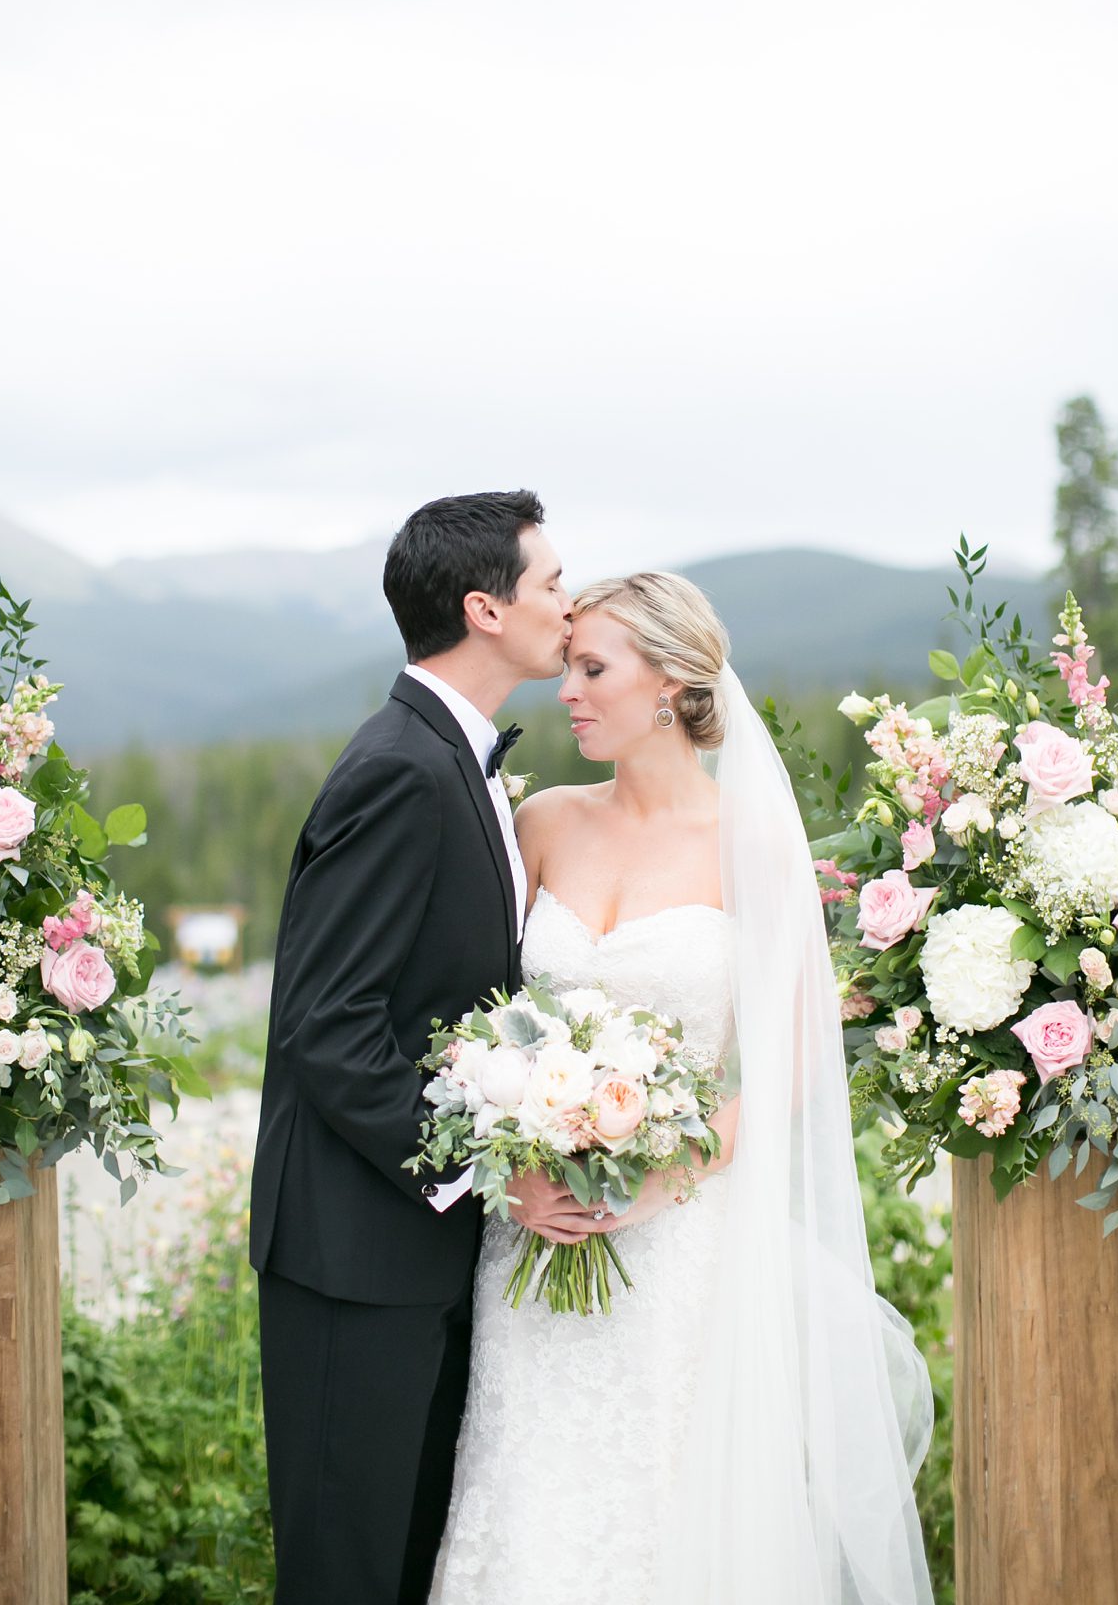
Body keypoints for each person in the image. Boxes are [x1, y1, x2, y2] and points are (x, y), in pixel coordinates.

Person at [429, 571, 934, 1605]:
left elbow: (793, 1061)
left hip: (678, 1247)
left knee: (667, 1513)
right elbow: (471, 1020)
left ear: (669, 685)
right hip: (536, 1233)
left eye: (591, 668)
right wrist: (517, 1151)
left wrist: (663, 1174)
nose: (566, 690)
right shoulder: (544, 825)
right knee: (526, 1500)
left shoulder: (750, 844)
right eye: (566, 665)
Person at [249, 490, 598, 1605]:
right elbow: (328, 1026)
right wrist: (487, 1170)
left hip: (417, 1256)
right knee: (346, 1573)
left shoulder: (458, 760)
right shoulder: (402, 767)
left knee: (409, 1567)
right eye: (550, 583)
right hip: (353, 1261)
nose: (569, 603)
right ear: (484, 608)